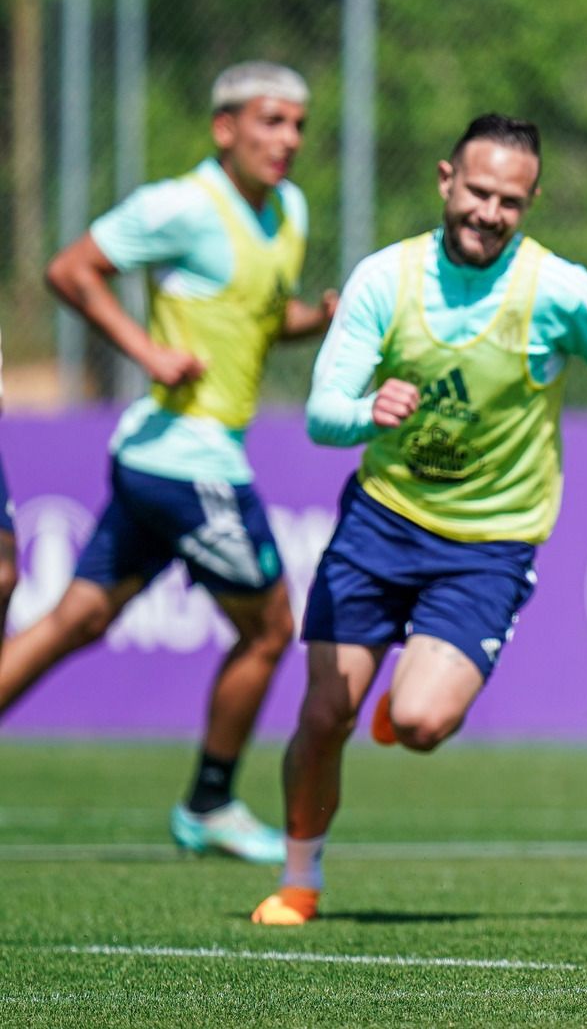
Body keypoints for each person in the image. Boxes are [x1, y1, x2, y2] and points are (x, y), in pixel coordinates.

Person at [249, 114, 587, 925]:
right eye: (478, 192)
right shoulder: (387, 279)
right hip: (380, 523)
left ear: (531, 202)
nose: (489, 212)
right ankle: (299, 879)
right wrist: (366, 414)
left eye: (510, 201)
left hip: (490, 543)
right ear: (446, 179)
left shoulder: (556, 290)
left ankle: (401, 699)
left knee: (417, 723)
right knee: (321, 716)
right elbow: (321, 413)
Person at [2, 62, 334, 864]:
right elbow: (69, 269)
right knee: (270, 630)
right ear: (225, 129)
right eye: (268, 121)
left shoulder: (288, 211)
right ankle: (209, 804)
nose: (286, 139)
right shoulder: (182, 206)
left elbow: (255, 317)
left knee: (74, 621)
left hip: (167, 460)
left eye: (296, 124)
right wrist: (146, 348)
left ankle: (210, 803)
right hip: (188, 460)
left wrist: (319, 317)